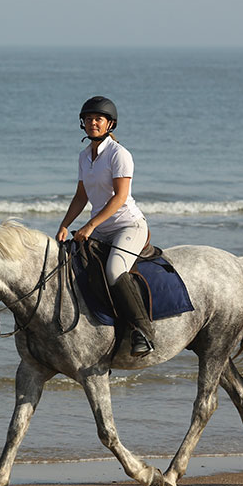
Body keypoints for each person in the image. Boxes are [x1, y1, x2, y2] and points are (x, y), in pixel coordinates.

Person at [56, 96, 154, 356]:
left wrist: (89, 226)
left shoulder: (119, 154)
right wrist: (65, 224)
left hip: (128, 226)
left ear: (110, 123)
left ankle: (143, 331)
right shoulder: (84, 156)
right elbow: (81, 196)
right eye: (88, 119)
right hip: (100, 227)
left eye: (97, 119)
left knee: (113, 270)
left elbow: (120, 197)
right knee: (74, 268)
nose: (92, 123)